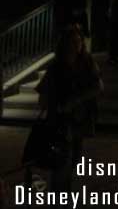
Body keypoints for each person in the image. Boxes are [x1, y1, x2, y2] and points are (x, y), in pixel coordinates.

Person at [36, 26, 102, 192]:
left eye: (78, 41)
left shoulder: (87, 63)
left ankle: (67, 191)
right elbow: (43, 92)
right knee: (61, 157)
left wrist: (77, 100)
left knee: (75, 156)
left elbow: (97, 86)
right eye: (72, 42)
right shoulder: (56, 66)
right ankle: (59, 193)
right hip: (59, 117)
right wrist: (52, 104)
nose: (76, 45)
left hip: (79, 117)